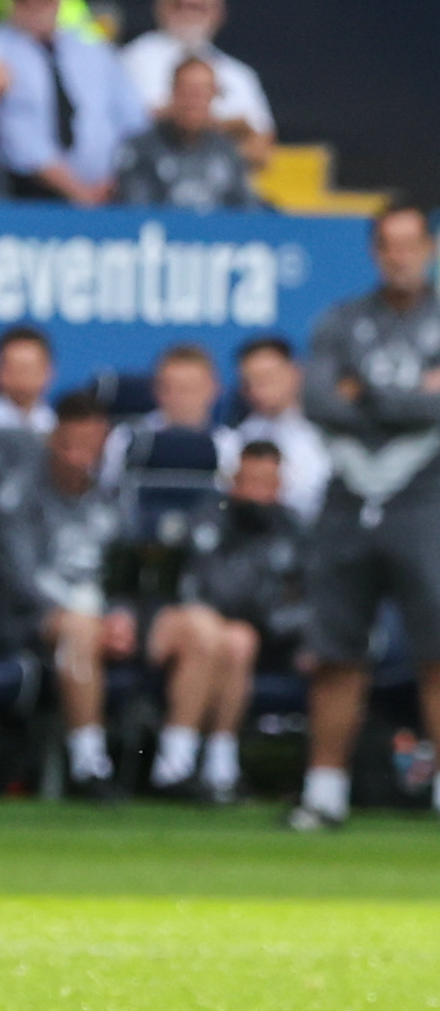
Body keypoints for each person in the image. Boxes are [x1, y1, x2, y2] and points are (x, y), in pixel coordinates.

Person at [290, 206, 440, 832]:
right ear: (375, 252)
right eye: (387, 246)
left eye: (410, 244)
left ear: (429, 248)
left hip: (424, 502)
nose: (399, 256)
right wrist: (407, 399)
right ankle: (324, 793)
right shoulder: (342, 320)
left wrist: (366, 393)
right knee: (336, 654)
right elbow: (317, 398)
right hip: (348, 499)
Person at [145, 439, 305, 801]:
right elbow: (212, 591)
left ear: (281, 485)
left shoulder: (292, 530)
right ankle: (174, 763)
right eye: (249, 482)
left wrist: (279, 625)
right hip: (182, 625)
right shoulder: (209, 516)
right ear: (233, 480)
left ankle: (220, 766)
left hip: (260, 638)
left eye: (268, 484)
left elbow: (308, 598)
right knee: (208, 630)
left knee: (238, 640)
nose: (256, 493)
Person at [0, 394, 132, 796]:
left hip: (97, 621)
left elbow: (126, 571)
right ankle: (89, 764)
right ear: (54, 440)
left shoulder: (114, 496)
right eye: (73, 444)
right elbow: (23, 578)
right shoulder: (21, 495)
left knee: (88, 629)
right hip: (28, 622)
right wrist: (85, 614)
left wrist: (121, 615)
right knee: (78, 630)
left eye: (91, 445)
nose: (81, 455)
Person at [0, 0, 144, 205]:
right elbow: (16, 135)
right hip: (26, 200)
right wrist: (75, 190)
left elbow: (133, 120)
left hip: (107, 197)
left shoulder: (94, 50)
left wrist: (114, 179)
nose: (33, 3)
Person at [118, 0, 275, 166]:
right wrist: (232, 127)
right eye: (178, 2)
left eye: (200, 5)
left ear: (219, 12)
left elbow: (261, 146)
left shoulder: (239, 74)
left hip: (218, 189)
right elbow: (134, 130)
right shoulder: (132, 60)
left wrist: (188, 123)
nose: (188, 13)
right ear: (159, 6)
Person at [114, 58, 256, 212]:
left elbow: (245, 212)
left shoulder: (226, 150)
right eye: (187, 91)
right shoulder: (140, 150)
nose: (194, 101)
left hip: (216, 234)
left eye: (202, 92)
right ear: (173, 93)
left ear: (213, 96)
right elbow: (135, 213)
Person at [101, 344, 239, 488]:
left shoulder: (231, 445)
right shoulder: (127, 439)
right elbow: (109, 491)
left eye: (189, 388)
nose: (179, 398)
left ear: (214, 389)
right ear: (155, 390)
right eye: (169, 388)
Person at [227, 335, 330, 523]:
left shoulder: (326, 432)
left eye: (267, 378)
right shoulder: (236, 438)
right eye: (249, 381)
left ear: (295, 373)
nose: (258, 389)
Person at [0, 324, 56, 436]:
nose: (23, 377)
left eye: (30, 368)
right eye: (17, 368)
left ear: (49, 371)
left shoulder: (55, 425)